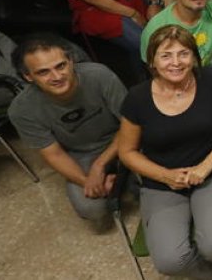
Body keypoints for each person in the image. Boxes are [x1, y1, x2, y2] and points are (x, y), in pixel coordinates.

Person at [118, 24, 212, 279]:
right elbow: (127, 152)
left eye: (183, 54)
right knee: (170, 263)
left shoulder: (210, 79)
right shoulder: (137, 98)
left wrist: (208, 164)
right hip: (161, 183)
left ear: (194, 58)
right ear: (152, 61)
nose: (176, 62)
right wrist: (165, 175)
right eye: (166, 55)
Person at [8, 36, 126, 229]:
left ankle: (121, 179)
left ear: (71, 60)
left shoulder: (99, 75)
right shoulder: (21, 109)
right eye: (43, 72)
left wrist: (100, 165)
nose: (56, 76)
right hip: (81, 154)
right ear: (28, 76)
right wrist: (89, 181)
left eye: (61, 66)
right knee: (91, 208)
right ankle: (119, 180)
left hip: (122, 138)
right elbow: (53, 154)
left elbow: (131, 124)